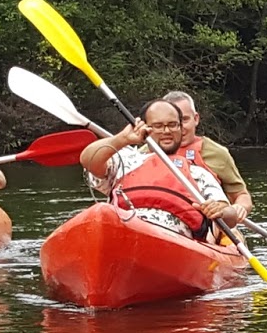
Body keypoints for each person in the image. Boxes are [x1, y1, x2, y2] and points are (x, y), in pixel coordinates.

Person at [78, 99, 239, 240]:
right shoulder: (124, 161)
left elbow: (230, 217)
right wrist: (122, 139)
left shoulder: (199, 174)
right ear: (144, 128)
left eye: (172, 125)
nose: (166, 131)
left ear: (181, 128)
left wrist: (220, 212)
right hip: (124, 233)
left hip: (176, 243)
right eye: (158, 126)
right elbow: (88, 160)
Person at [163, 90, 254, 225]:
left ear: (196, 119)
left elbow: (242, 195)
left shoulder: (217, 153)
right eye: (172, 122)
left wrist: (238, 208)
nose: (179, 128)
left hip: (212, 223)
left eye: (184, 120)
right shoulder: (146, 153)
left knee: (233, 233)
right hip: (164, 221)